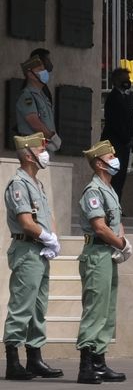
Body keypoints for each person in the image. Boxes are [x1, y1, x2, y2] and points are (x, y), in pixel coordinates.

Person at [4, 132, 60, 380]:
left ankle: (34, 358)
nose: (43, 154)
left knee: (38, 307)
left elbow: (47, 216)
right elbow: (26, 222)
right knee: (22, 305)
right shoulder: (19, 184)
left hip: (40, 250)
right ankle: (13, 361)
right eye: (39, 150)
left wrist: (53, 238)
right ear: (28, 154)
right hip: (27, 249)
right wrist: (46, 237)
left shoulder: (37, 183)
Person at [76, 140, 130, 384]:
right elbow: (99, 226)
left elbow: (115, 221)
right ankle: (86, 366)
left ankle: (99, 361)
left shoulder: (109, 189)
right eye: (110, 157)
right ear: (99, 163)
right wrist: (122, 245)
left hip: (108, 254)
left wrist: (121, 239)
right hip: (97, 253)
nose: (114, 160)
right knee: (95, 310)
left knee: (107, 312)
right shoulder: (94, 191)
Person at [100, 68, 133, 199]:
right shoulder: (113, 98)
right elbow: (115, 123)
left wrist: (131, 137)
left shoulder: (126, 97)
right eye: (123, 79)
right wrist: (126, 138)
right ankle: (110, 206)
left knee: (120, 178)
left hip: (124, 145)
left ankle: (116, 204)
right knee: (113, 176)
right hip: (115, 144)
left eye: (128, 79)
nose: (127, 82)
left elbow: (130, 120)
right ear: (115, 81)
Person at [15, 55, 59, 155]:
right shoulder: (27, 97)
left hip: (44, 147)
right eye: (40, 70)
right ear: (30, 74)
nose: (45, 73)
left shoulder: (42, 96)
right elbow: (33, 121)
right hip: (32, 150)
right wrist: (52, 137)